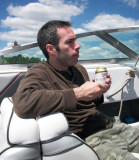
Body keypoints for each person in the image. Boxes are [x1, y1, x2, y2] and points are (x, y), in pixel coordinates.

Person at [12, 20, 139, 160]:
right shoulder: (39, 72)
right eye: (70, 42)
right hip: (93, 138)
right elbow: (23, 102)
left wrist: (98, 92)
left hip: (113, 124)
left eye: (76, 40)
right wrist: (79, 93)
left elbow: (90, 105)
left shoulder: (79, 69)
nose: (78, 46)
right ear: (51, 49)